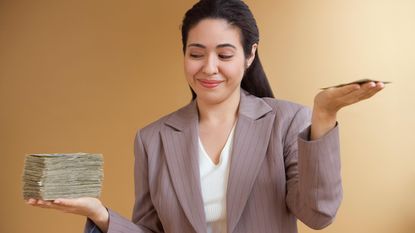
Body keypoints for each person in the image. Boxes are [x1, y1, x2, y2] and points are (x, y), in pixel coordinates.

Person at [27, 0, 385, 232]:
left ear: (249, 55)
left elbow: (317, 215)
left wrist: (323, 115)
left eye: (225, 54)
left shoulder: (287, 122)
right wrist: (100, 214)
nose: (209, 68)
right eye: (196, 53)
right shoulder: (152, 138)